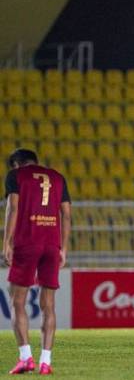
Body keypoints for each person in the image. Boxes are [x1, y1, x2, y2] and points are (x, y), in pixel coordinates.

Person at [2, 148, 71, 375]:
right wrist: (64, 248)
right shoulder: (58, 177)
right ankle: (45, 362)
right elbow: (67, 215)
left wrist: (7, 243)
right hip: (52, 244)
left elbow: (13, 207)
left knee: (17, 302)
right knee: (48, 304)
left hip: (27, 242)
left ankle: (25, 358)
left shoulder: (16, 176)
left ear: (17, 164)